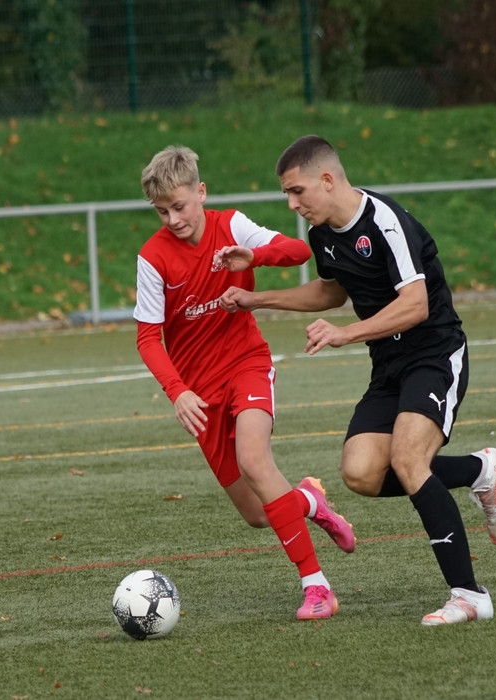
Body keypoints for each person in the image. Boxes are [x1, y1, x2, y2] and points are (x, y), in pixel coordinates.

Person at [220, 134, 496, 626]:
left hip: (434, 353)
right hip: (388, 364)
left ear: (327, 180)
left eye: (296, 191)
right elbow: (332, 292)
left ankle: (469, 594)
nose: (292, 204)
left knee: (408, 459)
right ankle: (478, 470)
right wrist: (256, 299)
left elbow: (416, 306)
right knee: (361, 473)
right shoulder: (322, 233)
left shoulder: (385, 222)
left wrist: (345, 334)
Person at [132, 145, 355, 620]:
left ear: (201, 192)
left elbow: (298, 250)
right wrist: (179, 392)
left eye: (180, 206)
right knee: (257, 513)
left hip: (245, 364)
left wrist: (253, 255)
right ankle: (310, 501)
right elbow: (148, 338)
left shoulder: (231, 225)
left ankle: (317, 587)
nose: (173, 219)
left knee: (254, 460)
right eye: (162, 211)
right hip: (200, 394)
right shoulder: (152, 257)